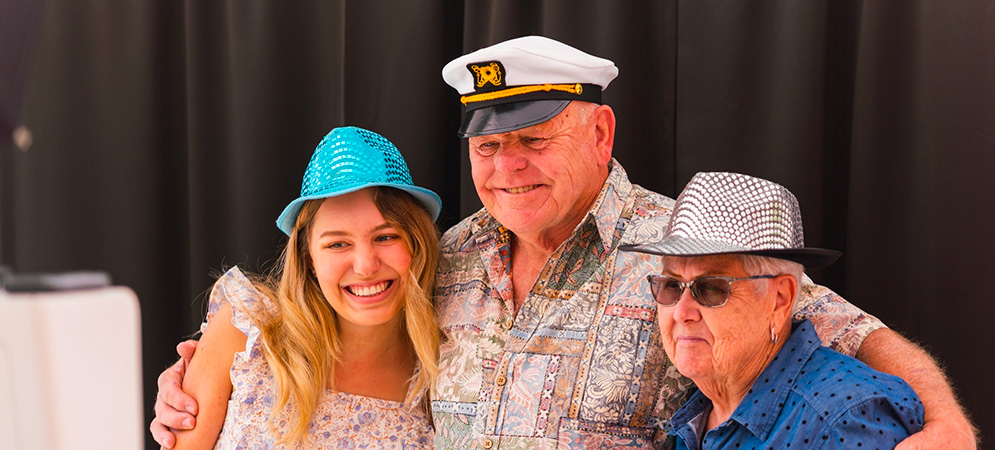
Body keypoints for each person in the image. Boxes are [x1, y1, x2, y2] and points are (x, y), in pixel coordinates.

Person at [152, 36, 976, 449]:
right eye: (486, 147)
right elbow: (328, 346)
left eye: (534, 141)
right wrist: (203, 373)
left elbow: (845, 331)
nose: (507, 167)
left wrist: (944, 426)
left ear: (601, 132)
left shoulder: (680, 247)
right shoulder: (445, 257)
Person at [167, 126, 441, 449]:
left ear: (417, 243)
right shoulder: (244, 335)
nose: (366, 266)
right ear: (308, 258)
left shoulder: (443, 378)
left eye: (386, 236)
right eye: (338, 244)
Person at [621, 171, 924, 449]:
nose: (681, 312)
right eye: (671, 286)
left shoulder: (848, 417)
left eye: (711, 288)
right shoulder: (698, 414)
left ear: (780, 299)